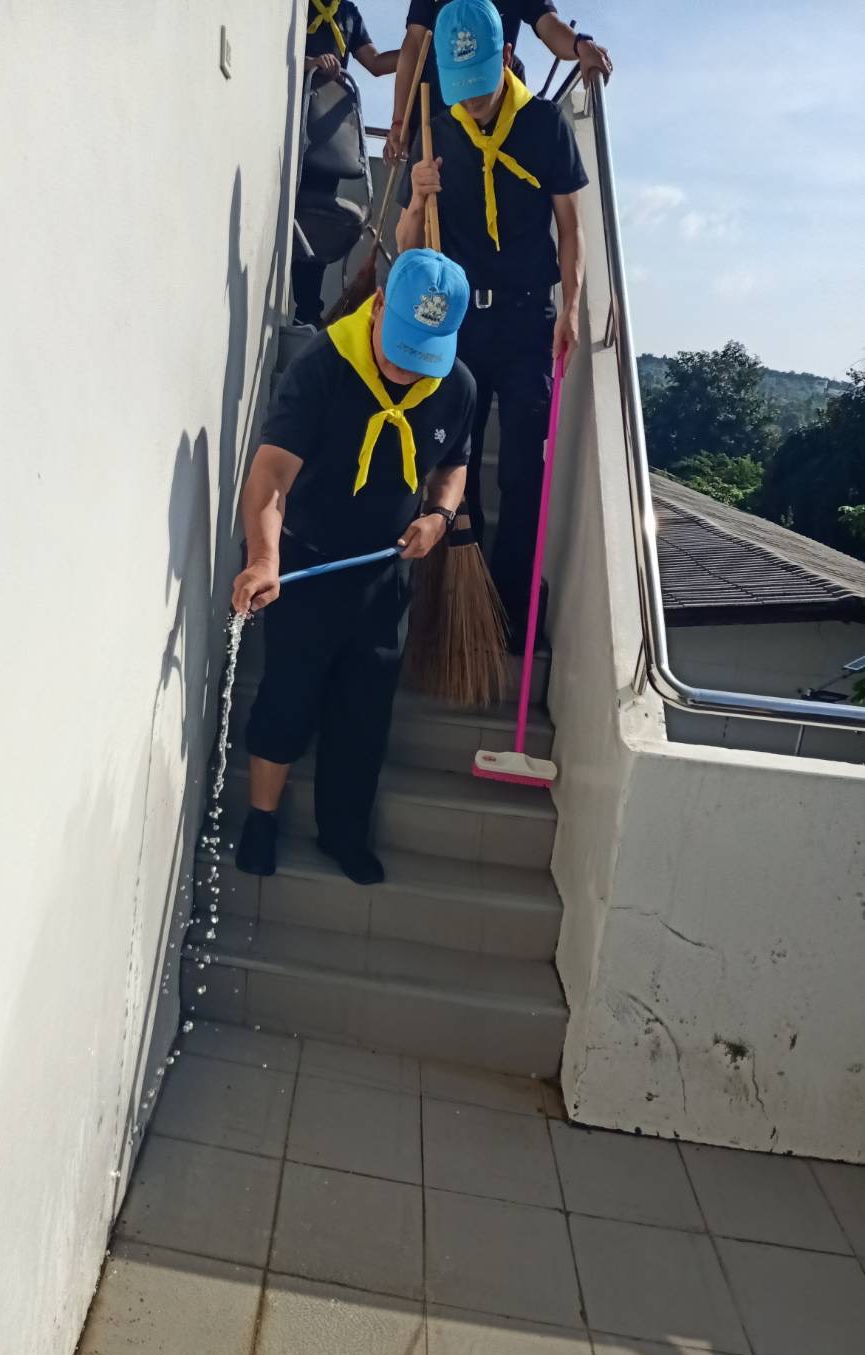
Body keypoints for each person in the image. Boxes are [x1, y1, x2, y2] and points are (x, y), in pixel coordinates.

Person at [233, 250, 475, 885]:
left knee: (364, 715)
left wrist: (439, 517)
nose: (406, 367)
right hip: (307, 563)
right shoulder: (322, 366)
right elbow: (271, 474)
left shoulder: (456, 386)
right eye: (401, 346)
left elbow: (454, 465)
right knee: (288, 697)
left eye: (421, 353)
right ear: (378, 305)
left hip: (385, 573)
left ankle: (343, 833)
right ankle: (261, 819)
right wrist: (263, 559)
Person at [395, 0, 588, 646]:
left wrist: (572, 306)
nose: (473, 104)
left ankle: (510, 604)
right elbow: (409, 247)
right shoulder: (437, 127)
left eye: (481, 88)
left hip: (530, 318)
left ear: (506, 57)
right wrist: (418, 195)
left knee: (523, 472)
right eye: (463, 91)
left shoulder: (543, 124)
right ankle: (458, 600)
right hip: (460, 323)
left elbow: (570, 227)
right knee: (456, 461)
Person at [384, 0, 612, 164]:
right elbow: (414, 44)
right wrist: (399, 122)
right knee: (428, 204)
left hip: (493, 119)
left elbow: (549, 25)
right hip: (435, 116)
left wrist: (581, 45)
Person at [294, 2, 400, 327]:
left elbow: (375, 63)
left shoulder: (348, 13)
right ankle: (301, 307)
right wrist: (312, 63)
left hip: (327, 136)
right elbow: (283, 55)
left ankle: (307, 311)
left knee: (319, 219)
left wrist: (417, 48)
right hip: (298, 124)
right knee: (297, 213)